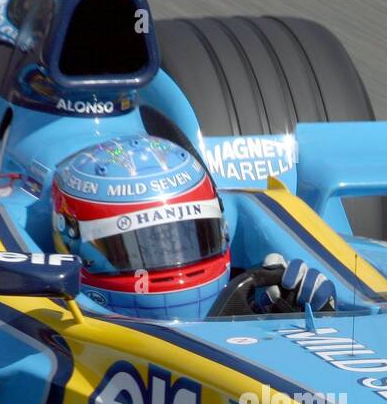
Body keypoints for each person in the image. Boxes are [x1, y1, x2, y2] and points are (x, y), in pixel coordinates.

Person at [51, 136, 336, 319]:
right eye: (139, 248)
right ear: (71, 243)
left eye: (190, 237)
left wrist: (298, 316)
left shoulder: (253, 298)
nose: (175, 262)